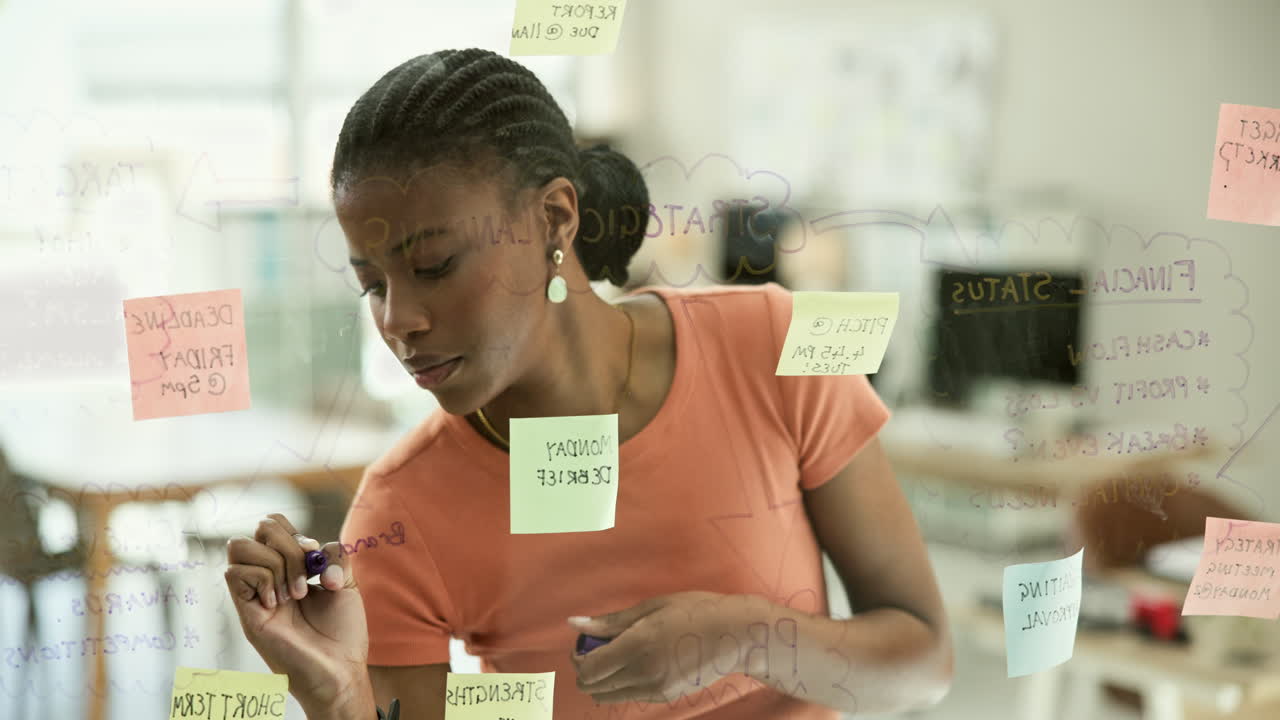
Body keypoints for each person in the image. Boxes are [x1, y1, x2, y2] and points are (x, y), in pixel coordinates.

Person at [224, 48, 953, 720]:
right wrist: (339, 698)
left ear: (555, 218)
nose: (399, 320)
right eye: (371, 286)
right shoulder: (401, 508)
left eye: (435, 266)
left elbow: (924, 662)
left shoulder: (775, 344)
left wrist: (748, 638)